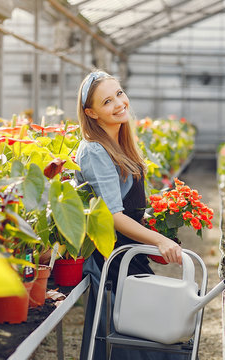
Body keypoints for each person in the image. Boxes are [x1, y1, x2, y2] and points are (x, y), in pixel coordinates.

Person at [75, 70, 186, 360]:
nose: (119, 103)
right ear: (91, 113)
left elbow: (129, 209)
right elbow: (112, 215)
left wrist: (161, 222)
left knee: (146, 331)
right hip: (111, 257)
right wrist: (159, 240)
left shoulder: (120, 145)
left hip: (127, 252)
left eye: (119, 94)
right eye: (107, 101)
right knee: (137, 334)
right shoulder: (95, 151)